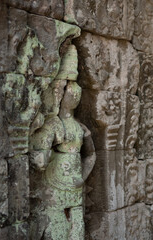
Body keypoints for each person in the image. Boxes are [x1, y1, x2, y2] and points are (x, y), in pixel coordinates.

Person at [29, 45, 96, 240]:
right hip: (59, 184)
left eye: (75, 91)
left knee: (72, 230)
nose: (73, 94)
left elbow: (90, 155)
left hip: (70, 184)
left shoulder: (75, 127)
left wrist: (82, 177)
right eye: (68, 90)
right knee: (63, 230)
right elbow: (40, 159)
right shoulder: (58, 125)